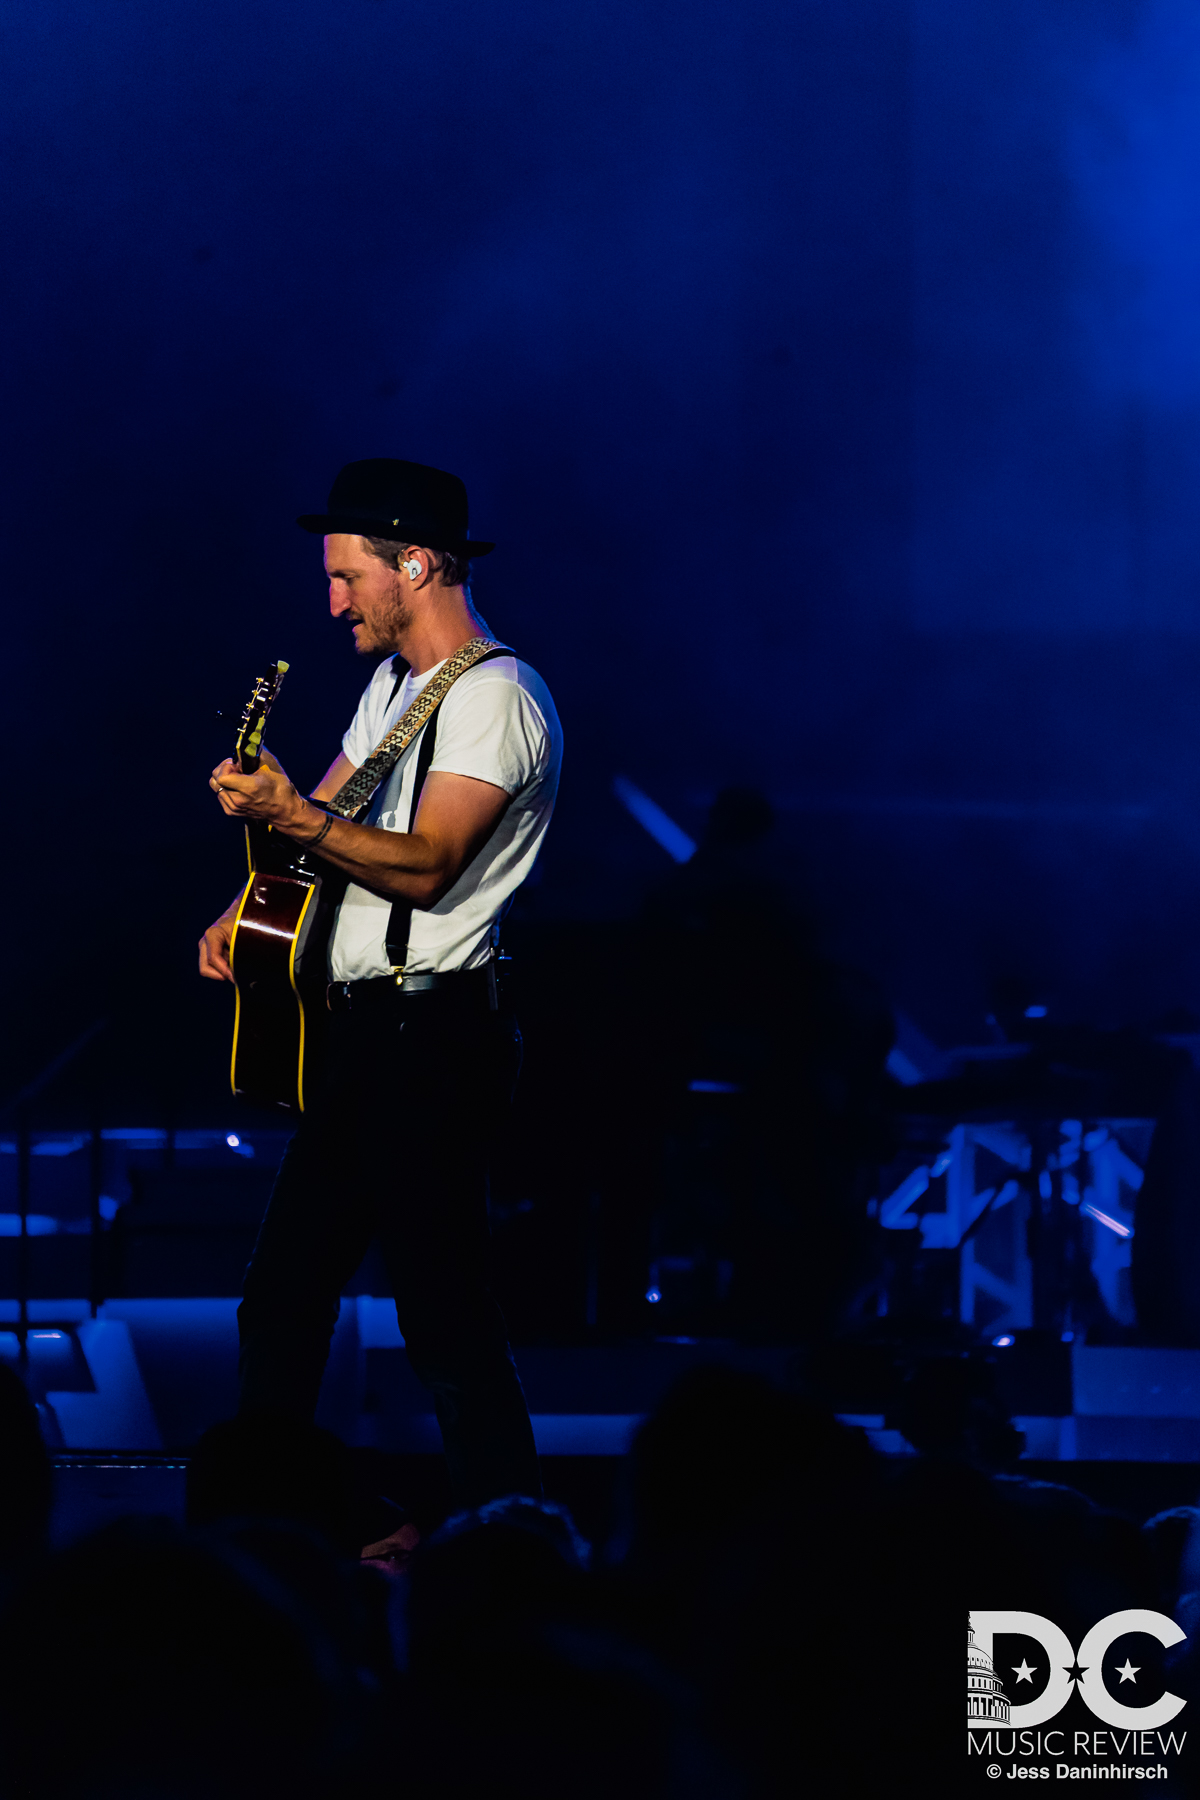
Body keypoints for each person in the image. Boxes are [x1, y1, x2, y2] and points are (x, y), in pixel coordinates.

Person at [198, 457, 562, 1514]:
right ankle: (261, 1528)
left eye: (348, 576)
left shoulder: (498, 697)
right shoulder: (399, 690)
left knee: (442, 1314)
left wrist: (297, 820)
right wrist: (248, 897)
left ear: (416, 564)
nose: (333, 600)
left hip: (435, 1036)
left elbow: (430, 859)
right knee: (282, 1296)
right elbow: (325, 811)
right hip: (363, 1040)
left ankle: (510, 1531)